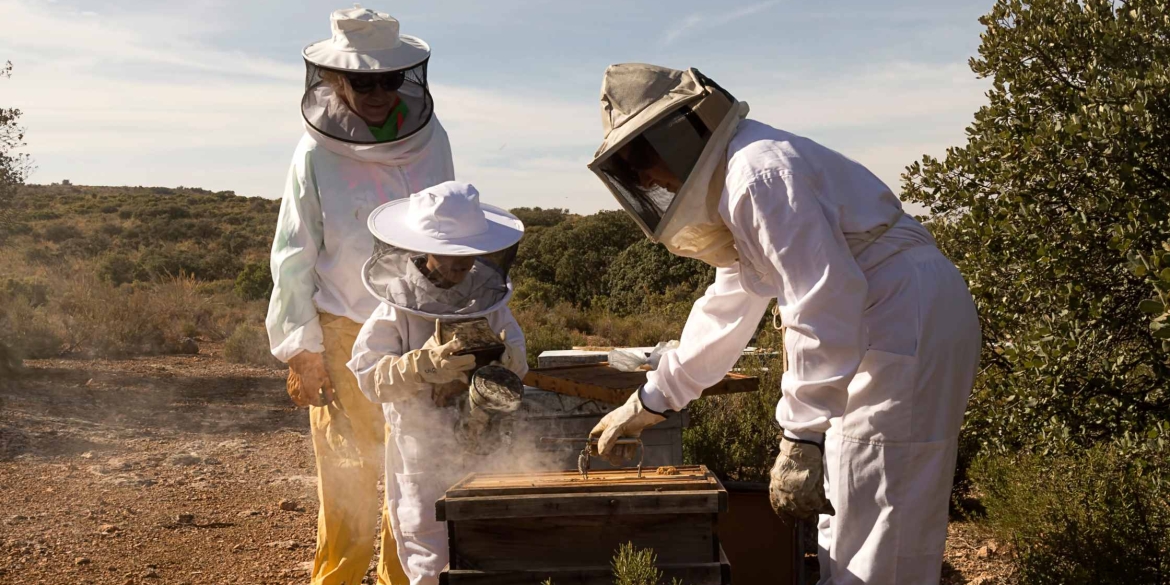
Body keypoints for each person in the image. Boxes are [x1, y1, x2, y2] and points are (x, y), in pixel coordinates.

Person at [586, 64, 981, 585]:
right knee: (850, 504)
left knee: (881, 516)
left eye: (649, 163)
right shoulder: (742, 178)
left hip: (899, 315)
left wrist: (800, 435)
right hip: (887, 314)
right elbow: (729, 305)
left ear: (677, 134)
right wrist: (652, 399)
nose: (654, 181)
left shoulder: (759, 175)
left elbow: (822, 299)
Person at [265, 6, 454, 585]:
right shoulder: (315, 153)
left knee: (416, 480)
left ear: (407, 78)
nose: (377, 93)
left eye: (389, 79)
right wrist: (302, 349)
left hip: (415, 331)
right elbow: (293, 253)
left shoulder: (432, 139)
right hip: (342, 329)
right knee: (347, 484)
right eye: (362, 81)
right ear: (335, 81)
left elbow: (449, 232)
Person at [348, 181, 528, 585]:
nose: (459, 266)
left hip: (485, 446)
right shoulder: (395, 305)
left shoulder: (488, 296)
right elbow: (369, 378)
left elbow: (519, 358)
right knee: (430, 567)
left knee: (489, 556)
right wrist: (421, 366)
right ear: (425, 249)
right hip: (421, 450)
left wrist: (505, 359)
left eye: (466, 256)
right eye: (449, 256)